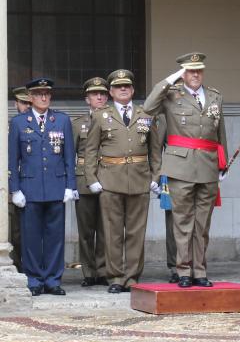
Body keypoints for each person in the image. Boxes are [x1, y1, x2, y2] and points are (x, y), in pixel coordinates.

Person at [143, 52, 228, 288]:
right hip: (180, 166)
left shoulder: (215, 96)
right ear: (183, 73)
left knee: (202, 224)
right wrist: (171, 79)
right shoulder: (172, 94)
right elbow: (148, 107)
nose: (196, 75)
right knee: (182, 222)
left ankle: (200, 271)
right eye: (191, 71)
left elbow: (220, 132)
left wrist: (223, 164)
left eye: (199, 70)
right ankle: (183, 271)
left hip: (208, 165)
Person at [84, 70, 159, 293]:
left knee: (136, 232)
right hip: (110, 180)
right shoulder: (101, 115)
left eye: (127, 86)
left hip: (139, 179)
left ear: (133, 90)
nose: (123, 89)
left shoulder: (146, 114)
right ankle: (115, 277)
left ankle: (132, 276)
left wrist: (156, 177)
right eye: (118, 87)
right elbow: (91, 150)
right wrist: (92, 178)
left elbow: (155, 150)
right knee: (112, 232)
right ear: (111, 92)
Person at [9, 78, 77, 296]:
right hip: (29, 188)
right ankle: (34, 279)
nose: (44, 97)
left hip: (56, 187)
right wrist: (15, 189)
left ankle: (53, 279)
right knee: (30, 238)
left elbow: (69, 157)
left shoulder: (62, 120)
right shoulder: (19, 122)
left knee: (55, 237)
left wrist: (70, 186)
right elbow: (12, 159)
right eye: (39, 94)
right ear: (30, 97)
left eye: (47, 93)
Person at [72, 77, 110, 287]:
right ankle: (88, 272)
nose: (99, 97)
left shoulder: (113, 121)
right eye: (95, 94)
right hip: (84, 181)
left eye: (103, 93)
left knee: (105, 230)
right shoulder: (78, 124)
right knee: (86, 231)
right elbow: (69, 155)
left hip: (108, 179)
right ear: (87, 99)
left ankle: (103, 271)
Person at [151, 113, 179, 283]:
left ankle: (197, 266)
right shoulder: (164, 116)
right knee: (173, 222)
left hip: (199, 171)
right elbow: (157, 149)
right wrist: (157, 177)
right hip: (173, 173)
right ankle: (176, 266)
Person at [8, 86, 31, 272]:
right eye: (23, 103)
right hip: (10, 184)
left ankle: (33, 266)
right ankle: (16, 266)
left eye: (30, 103)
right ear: (16, 104)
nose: (27, 106)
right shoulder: (8, 127)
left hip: (31, 183)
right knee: (14, 232)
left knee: (33, 230)